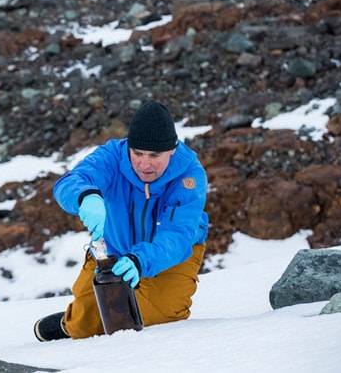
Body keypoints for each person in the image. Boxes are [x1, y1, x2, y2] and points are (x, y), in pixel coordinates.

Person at [34, 100, 209, 341]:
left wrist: (140, 260)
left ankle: (137, 300)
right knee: (83, 328)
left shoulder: (189, 174)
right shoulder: (112, 156)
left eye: (154, 155)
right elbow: (71, 180)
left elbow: (178, 234)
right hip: (115, 245)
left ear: (172, 149)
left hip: (171, 253)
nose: (144, 164)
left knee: (156, 318)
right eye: (137, 153)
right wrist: (85, 196)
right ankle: (69, 323)